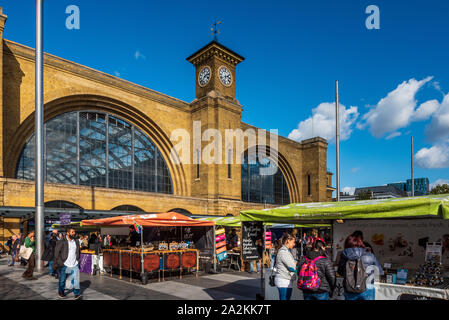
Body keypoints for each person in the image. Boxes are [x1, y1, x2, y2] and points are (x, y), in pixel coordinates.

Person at [338, 235, 383, 300]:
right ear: (360, 243)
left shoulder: (344, 256)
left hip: (350, 287)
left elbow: (340, 272)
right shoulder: (370, 255)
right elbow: (379, 272)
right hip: (368, 287)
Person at [54, 228, 82, 299]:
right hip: (65, 264)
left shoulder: (76, 241)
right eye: (72, 232)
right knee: (62, 280)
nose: (74, 233)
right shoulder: (62, 241)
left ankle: (77, 294)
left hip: (74, 264)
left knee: (75, 280)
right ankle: (61, 292)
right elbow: (56, 253)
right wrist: (59, 262)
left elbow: (78, 251)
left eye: (74, 232)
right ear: (68, 233)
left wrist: (78, 260)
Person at [274, 234, 297, 300]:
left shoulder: (286, 251)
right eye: (293, 242)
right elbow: (292, 266)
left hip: (285, 279)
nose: (294, 244)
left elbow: (292, 264)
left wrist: (294, 262)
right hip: (284, 280)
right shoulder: (283, 252)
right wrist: (295, 263)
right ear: (288, 241)